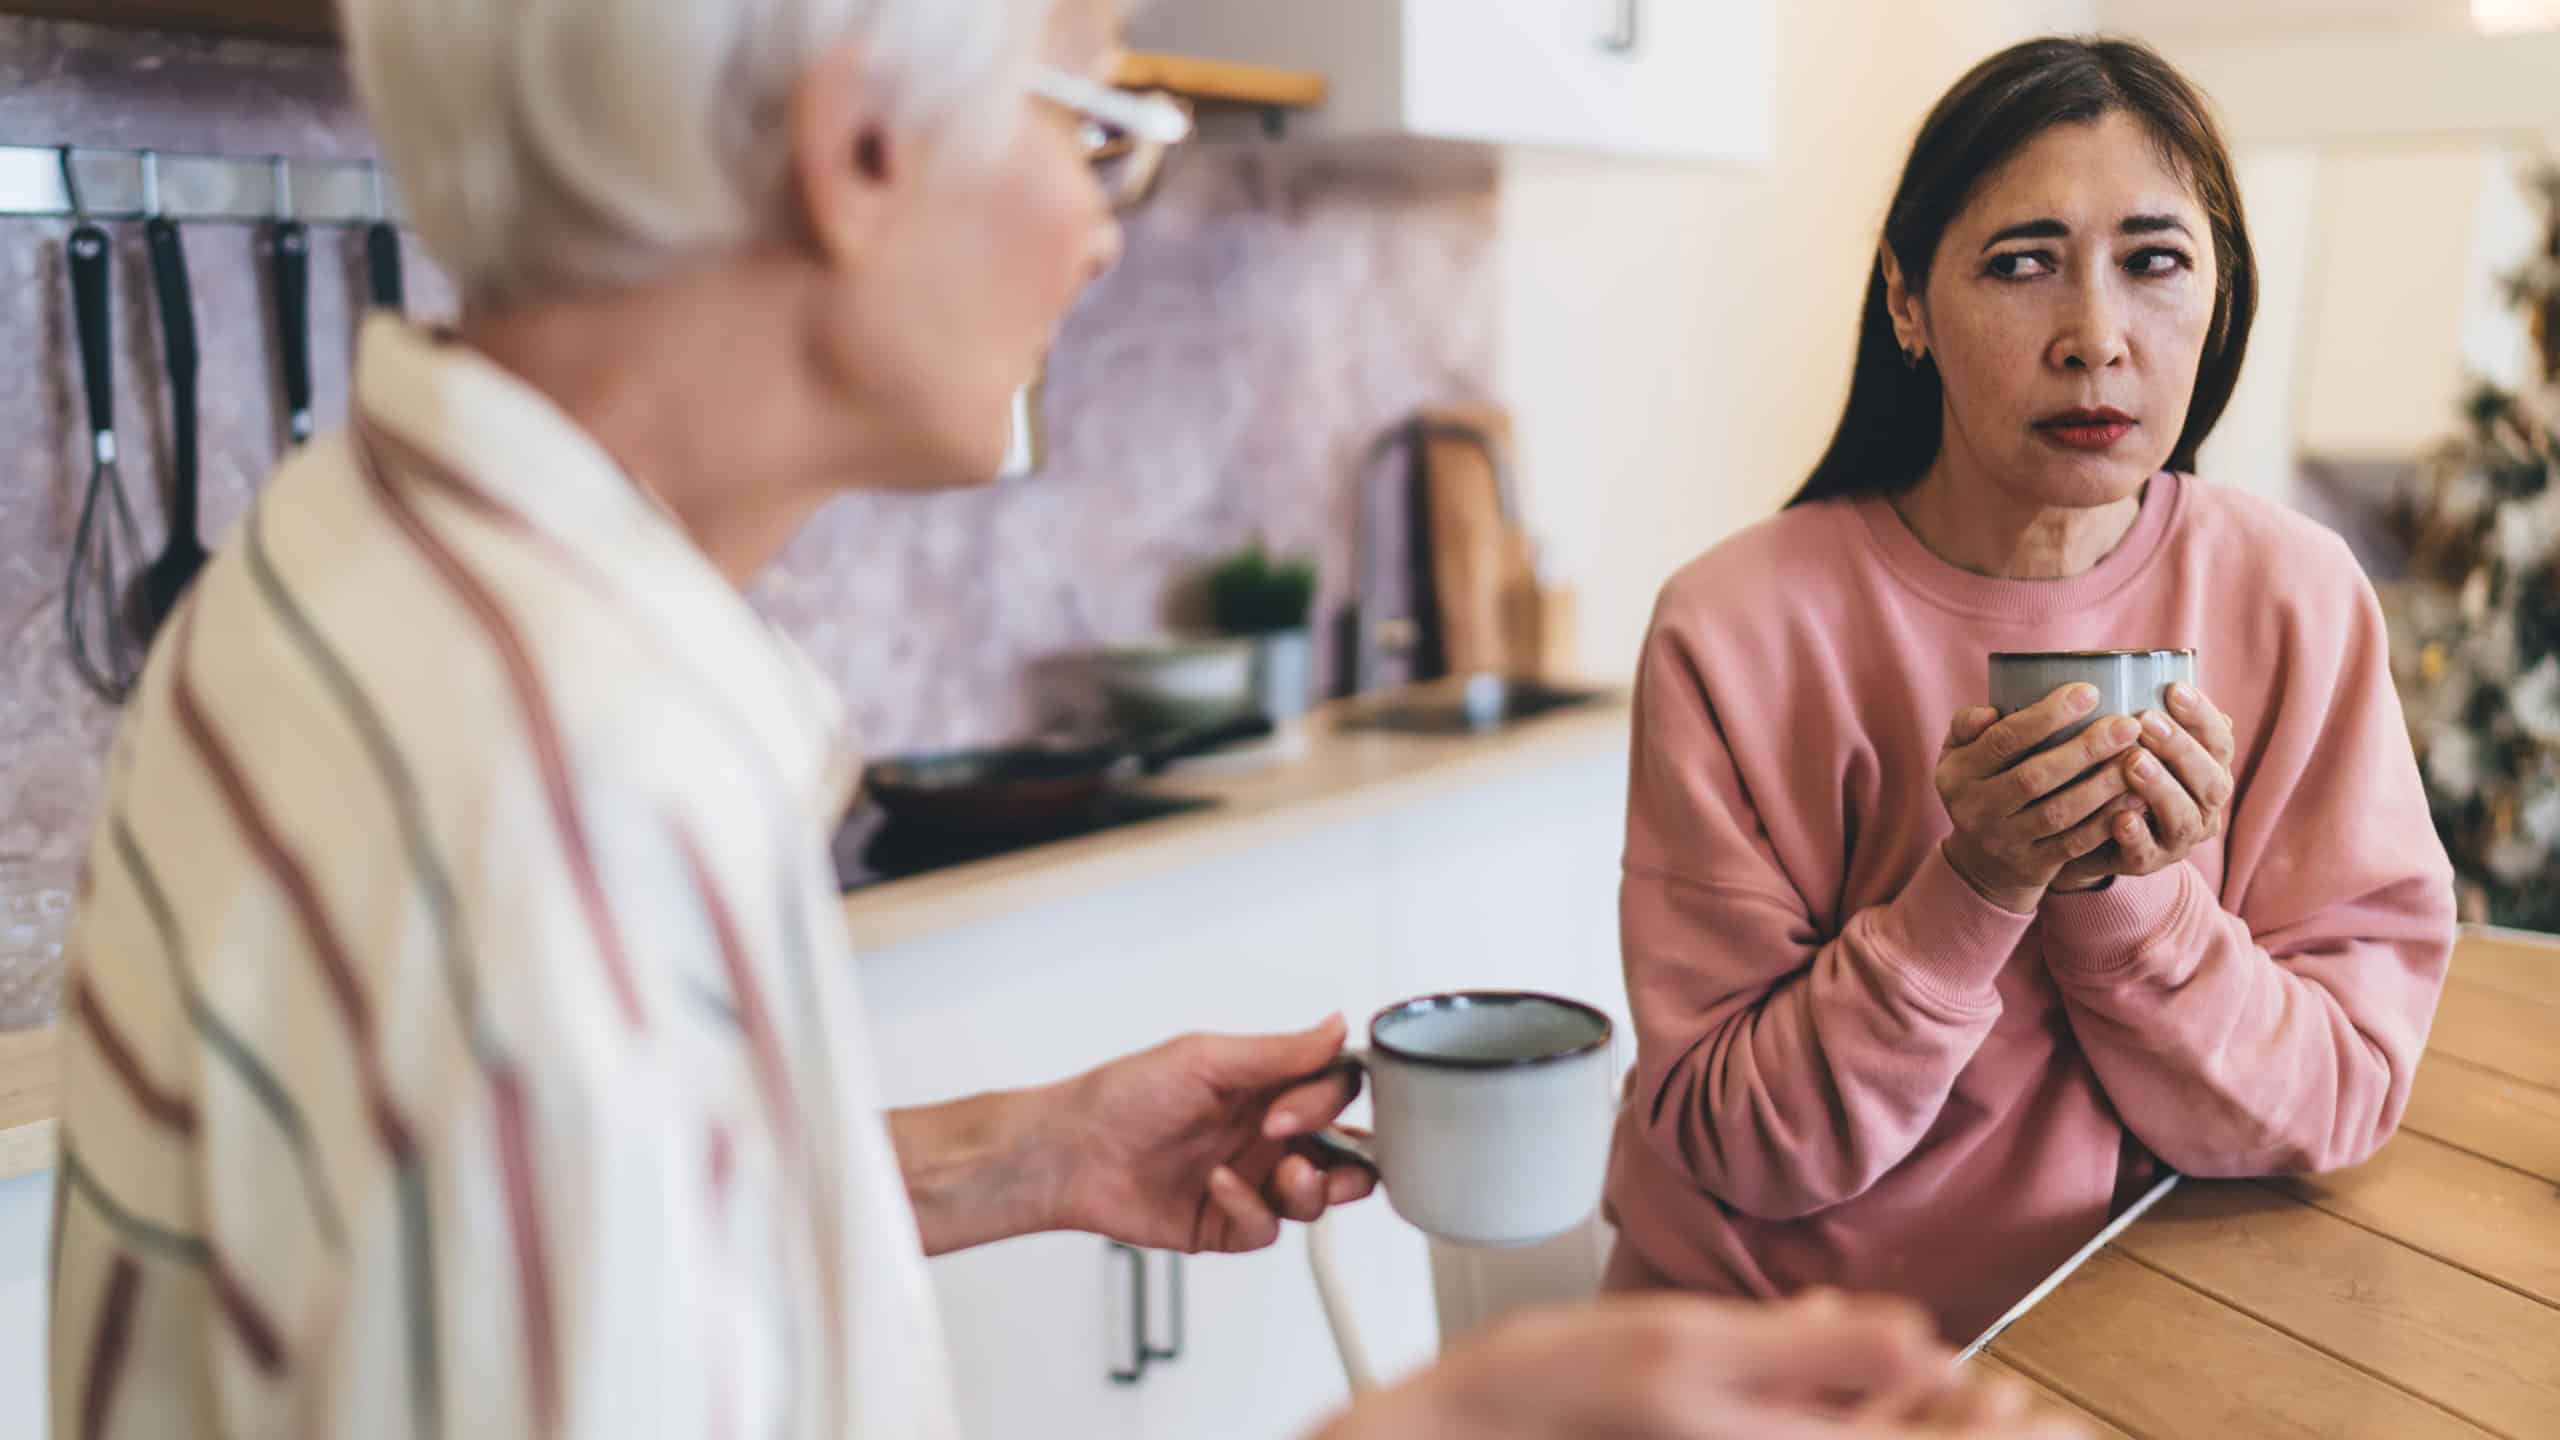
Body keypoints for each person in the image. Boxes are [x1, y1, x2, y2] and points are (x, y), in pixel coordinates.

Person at [44, 0, 2076, 1436]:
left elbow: (578, 1215)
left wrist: (1007, 1160)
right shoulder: (552, 802)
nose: (1105, 225)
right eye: (1096, 125)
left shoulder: (335, 562)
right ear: (858, 152)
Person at [1602, 34, 2460, 1345]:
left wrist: (2138, 903)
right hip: (1762, 1361)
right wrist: (1980, 881)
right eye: (2021, 263)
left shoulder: (2296, 597)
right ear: (1907, 301)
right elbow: (1736, 1143)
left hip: (2112, 1339)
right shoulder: (1733, 627)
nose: (2096, 338)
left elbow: (2335, 1103)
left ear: (2221, 293)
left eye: (2155, 262)